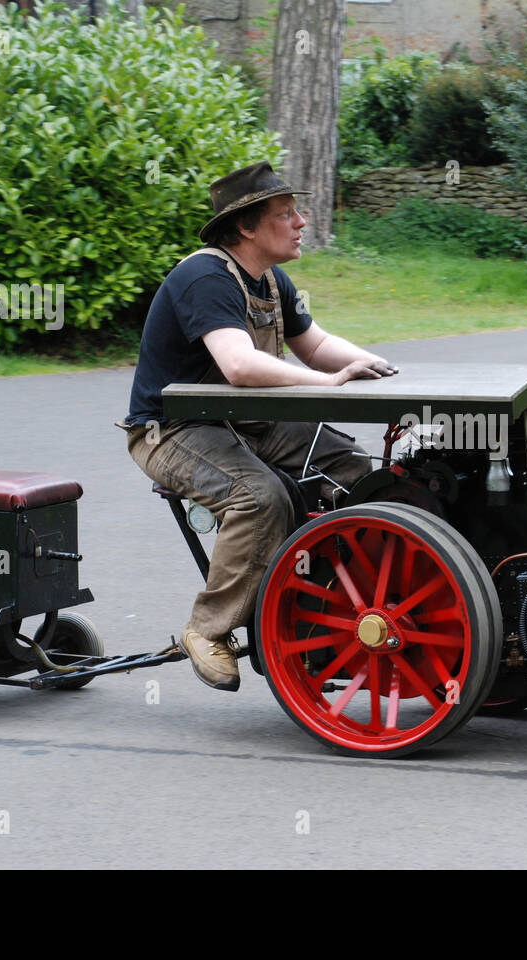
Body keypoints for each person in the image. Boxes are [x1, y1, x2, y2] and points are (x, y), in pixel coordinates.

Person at [116, 161, 398, 692]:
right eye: (286, 213)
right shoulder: (203, 277)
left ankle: (318, 619)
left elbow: (313, 346)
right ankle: (208, 630)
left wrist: (379, 369)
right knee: (259, 497)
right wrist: (329, 383)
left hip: (249, 423)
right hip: (171, 431)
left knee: (357, 473)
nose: (301, 221)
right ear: (246, 226)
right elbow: (239, 366)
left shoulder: (270, 278)